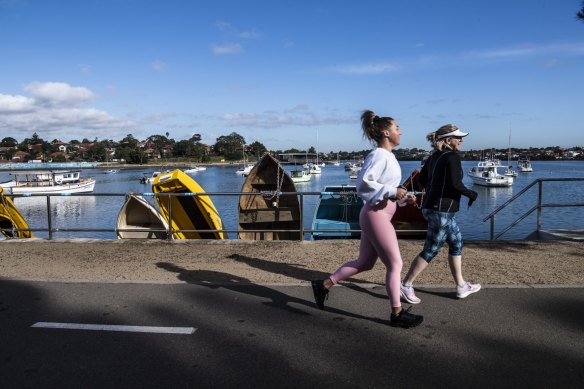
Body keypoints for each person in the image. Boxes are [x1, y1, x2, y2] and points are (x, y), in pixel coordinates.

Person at [311, 110, 423, 329]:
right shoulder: (379, 155)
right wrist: (393, 191)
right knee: (395, 264)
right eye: (397, 127)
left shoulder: (388, 156)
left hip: (378, 214)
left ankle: (324, 285)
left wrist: (402, 199)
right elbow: (362, 185)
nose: (401, 131)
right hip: (376, 216)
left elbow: (384, 192)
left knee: (365, 263)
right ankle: (397, 314)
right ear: (386, 132)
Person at [400, 124, 480, 305]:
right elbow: (455, 184)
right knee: (431, 249)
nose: (461, 140)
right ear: (448, 140)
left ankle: (461, 286)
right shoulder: (452, 157)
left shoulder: (433, 157)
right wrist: (472, 194)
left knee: (456, 242)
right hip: (442, 210)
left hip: (432, 207)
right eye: (458, 137)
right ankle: (406, 285)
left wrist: (433, 189)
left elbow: (421, 179)